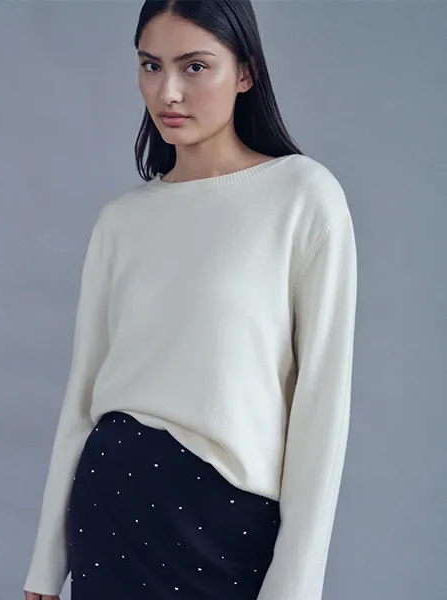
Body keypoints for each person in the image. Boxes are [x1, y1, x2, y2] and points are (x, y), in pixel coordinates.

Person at [23, 1, 358, 599]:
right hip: (108, 518)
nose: (168, 92)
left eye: (195, 66)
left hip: (223, 532)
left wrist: (294, 589)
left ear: (245, 71)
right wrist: (46, 566)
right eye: (151, 65)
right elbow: (82, 398)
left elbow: (321, 411)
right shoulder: (121, 222)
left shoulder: (303, 198)